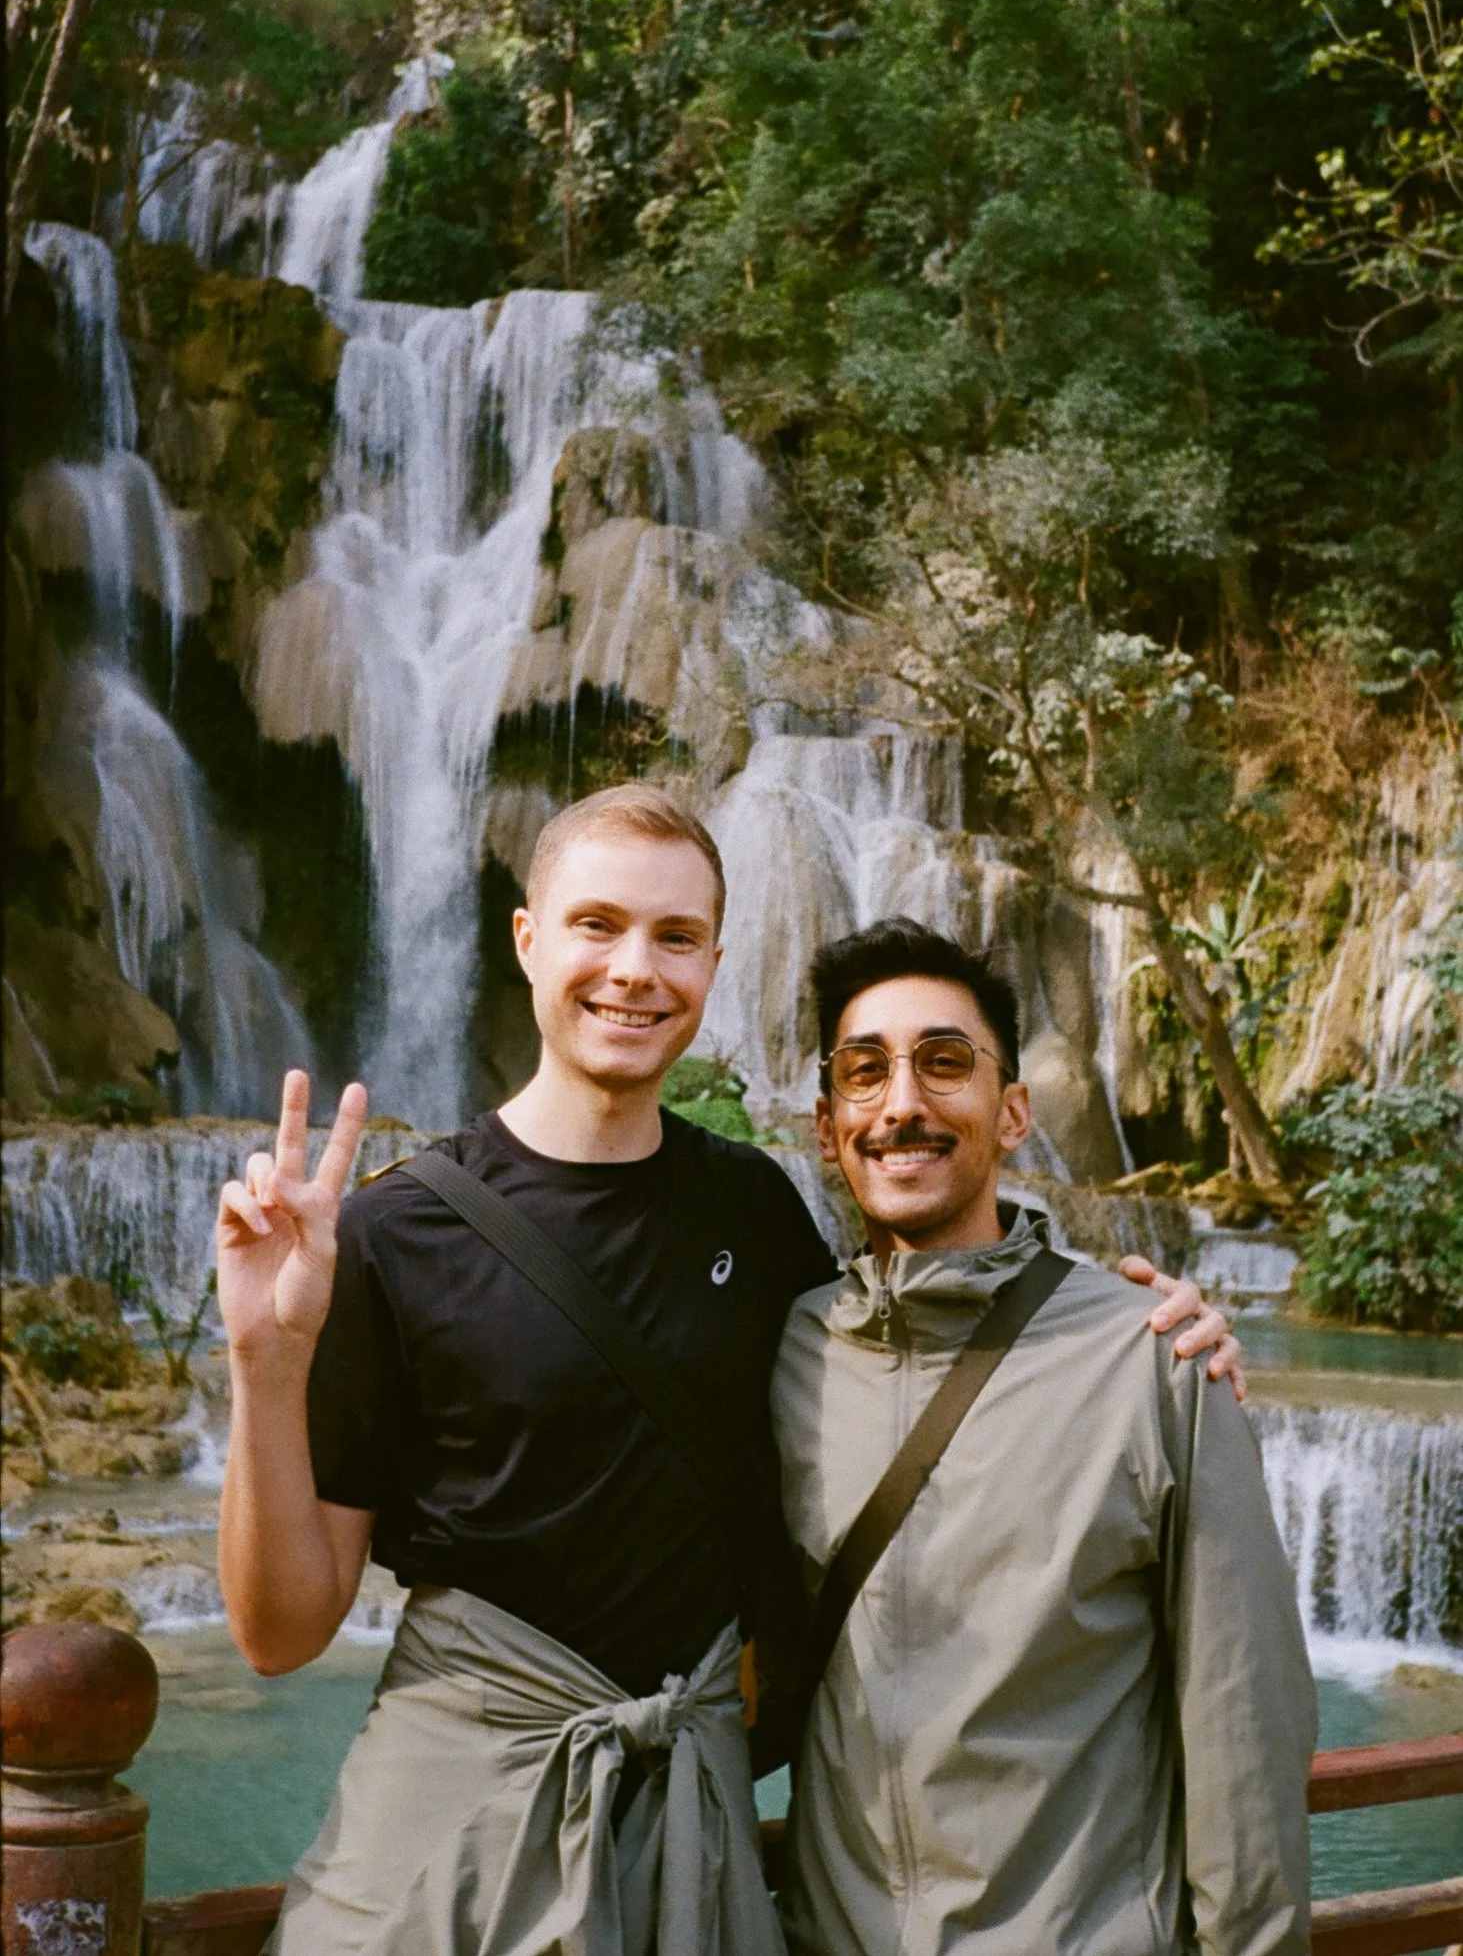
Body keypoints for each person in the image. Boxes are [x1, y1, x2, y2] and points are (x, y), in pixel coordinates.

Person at [215, 784, 1243, 1956]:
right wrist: (262, 1359)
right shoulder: (390, 1234)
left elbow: (919, 1355)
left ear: (711, 963)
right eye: (597, 924)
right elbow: (278, 1633)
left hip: (688, 1828)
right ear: (527, 938)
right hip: (456, 1823)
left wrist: (1139, 1324)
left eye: (675, 936)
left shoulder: (754, 1211)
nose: (633, 969)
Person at [772, 917, 1316, 1956]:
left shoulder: (1153, 1359)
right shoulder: (786, 1351)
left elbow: (1241, 1724)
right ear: (827, 1124)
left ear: (1013, 1111)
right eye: (864, 1070)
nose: (901, 1102)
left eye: (944, 1062)